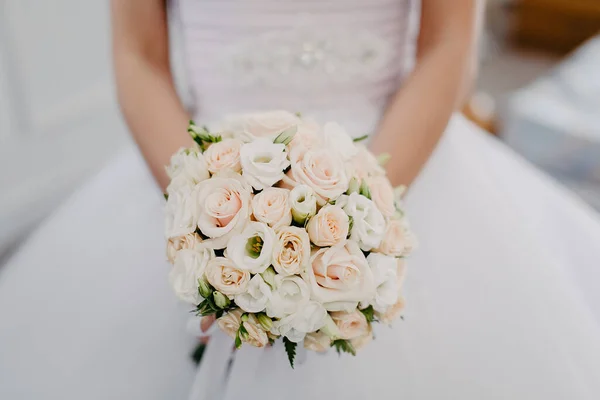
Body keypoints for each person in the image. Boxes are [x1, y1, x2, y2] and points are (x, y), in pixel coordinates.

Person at [1, 0, 600, 399]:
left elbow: (448, 47)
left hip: (397, 157)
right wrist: (207, 213)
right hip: (195, 164)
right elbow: (139, 56)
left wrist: (361, 219)